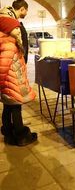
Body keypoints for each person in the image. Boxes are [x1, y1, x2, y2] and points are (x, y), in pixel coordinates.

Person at [0, 15, 37, 146]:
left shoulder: (8, 41)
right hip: (12, 83)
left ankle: (8, 133)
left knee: (8, 107)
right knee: (16, 108)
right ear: (7, 29)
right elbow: (3, 67)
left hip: (9, 83)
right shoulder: (9, 44)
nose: (18, 30)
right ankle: (21, 136)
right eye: (15, 28)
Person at [0, 0, 29, 64]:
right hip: (10, 61)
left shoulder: (11, 19)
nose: (26, 13)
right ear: (22, 9)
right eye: (26, 11)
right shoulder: (8, 20)